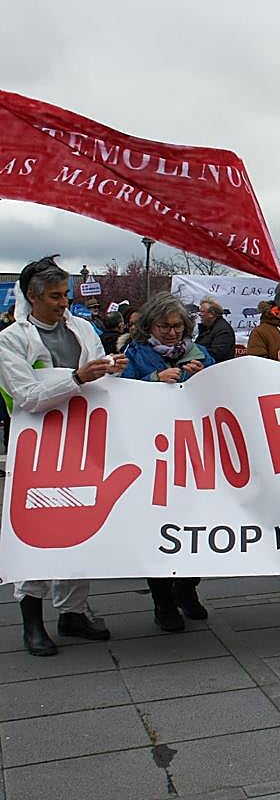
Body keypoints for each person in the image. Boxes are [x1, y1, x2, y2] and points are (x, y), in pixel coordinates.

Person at [0, 255, 127, 656]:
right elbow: (26, 396)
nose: (63, 303)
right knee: (38, 530)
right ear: (32, 297)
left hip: (83, 438)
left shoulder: (83, 328)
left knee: (79, 524)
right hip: (37, 445)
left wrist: (111, 367)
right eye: (55, 296)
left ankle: (72, 612)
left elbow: (97, 369)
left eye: (65, 295)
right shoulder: (10, 340)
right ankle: (32, 621)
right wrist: (76, 378)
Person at [122, 293, 215, 630]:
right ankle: (163, 601)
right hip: (152, 456)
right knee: (157, 530)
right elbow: (119, 395)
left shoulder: (200, 353)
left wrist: (204, 376)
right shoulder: (134, 355)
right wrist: (152, 381)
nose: (173, 333)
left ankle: (187, 588)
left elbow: (221, 391)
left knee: (199, 525)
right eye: (165, 327)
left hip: (194, 452)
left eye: (178, 326)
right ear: (149, 326)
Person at [195, 296, 236, 362]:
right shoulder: (207, 327)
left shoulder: (223, 331)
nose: (200, 314)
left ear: (212, 314)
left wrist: (194, 353)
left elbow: (217, 354)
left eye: (202, 312)